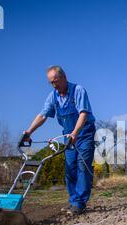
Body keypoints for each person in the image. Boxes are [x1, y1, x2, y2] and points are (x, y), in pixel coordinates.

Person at [23, 65, 96, 214]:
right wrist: (29, 131)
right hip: (67, 135)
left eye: (56, 81)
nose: (54, 85)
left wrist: (75, 132)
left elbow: (83, 113)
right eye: (51, 82)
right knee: (70, 168)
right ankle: (73, 201)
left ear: (64, 77)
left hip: (84, 133)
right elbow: (43, 115)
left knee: (82, 166)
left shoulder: (78, 90)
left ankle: (80, 204)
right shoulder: (53, 96)